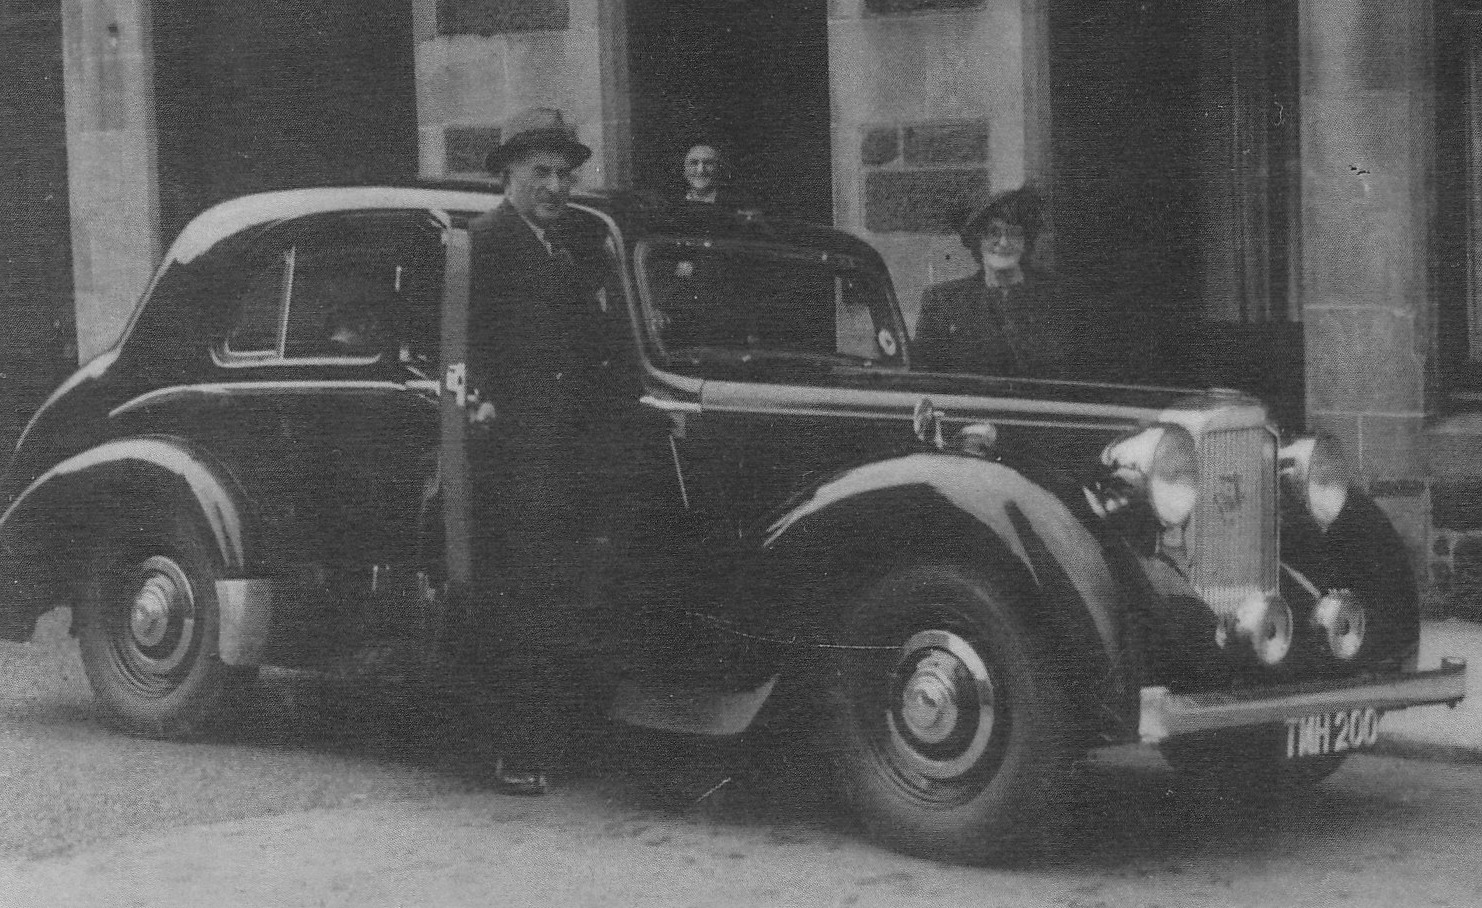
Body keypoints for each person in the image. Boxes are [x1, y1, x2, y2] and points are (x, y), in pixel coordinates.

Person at [464, 107, 595, 796]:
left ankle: (548, 740)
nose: (555, 186)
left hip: (558, 453)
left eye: (564, 175)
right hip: (511, 457)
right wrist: (485, 399)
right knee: (515, 600)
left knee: (551, 598)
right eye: (541, 172)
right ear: (509, 176)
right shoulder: (487, 241)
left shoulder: (562, 246)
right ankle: (511, 750)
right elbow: (464, 341)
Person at [912, 187, 1072, 378]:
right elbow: (924, 378)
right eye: (993, 233)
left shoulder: (1059, 298)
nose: (1004, 243)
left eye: (1014, 233)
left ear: (1026, 241)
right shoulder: (943, 302)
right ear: (977, 240)